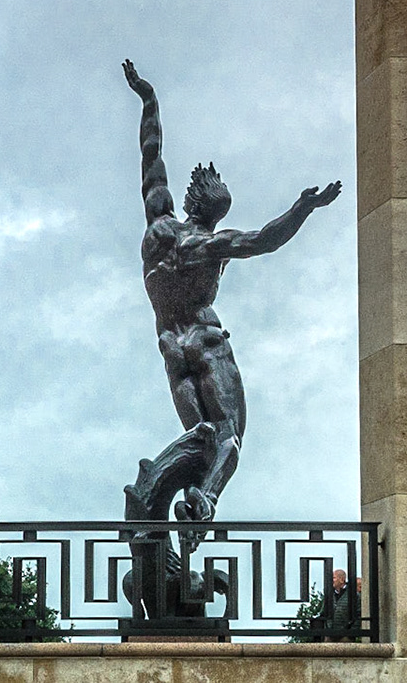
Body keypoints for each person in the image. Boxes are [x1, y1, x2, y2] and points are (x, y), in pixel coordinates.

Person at [121, 60, 341, 524]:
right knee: (228, 438)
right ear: (216, 213)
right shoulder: (211, 244)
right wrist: (305, 207)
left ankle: (180, 502)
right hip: (205, 341)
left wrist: (149, 99)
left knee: (200, 435)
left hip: (170, 345)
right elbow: (264, 239)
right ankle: (206, 501)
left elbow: (151, 157)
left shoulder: (158, 225)